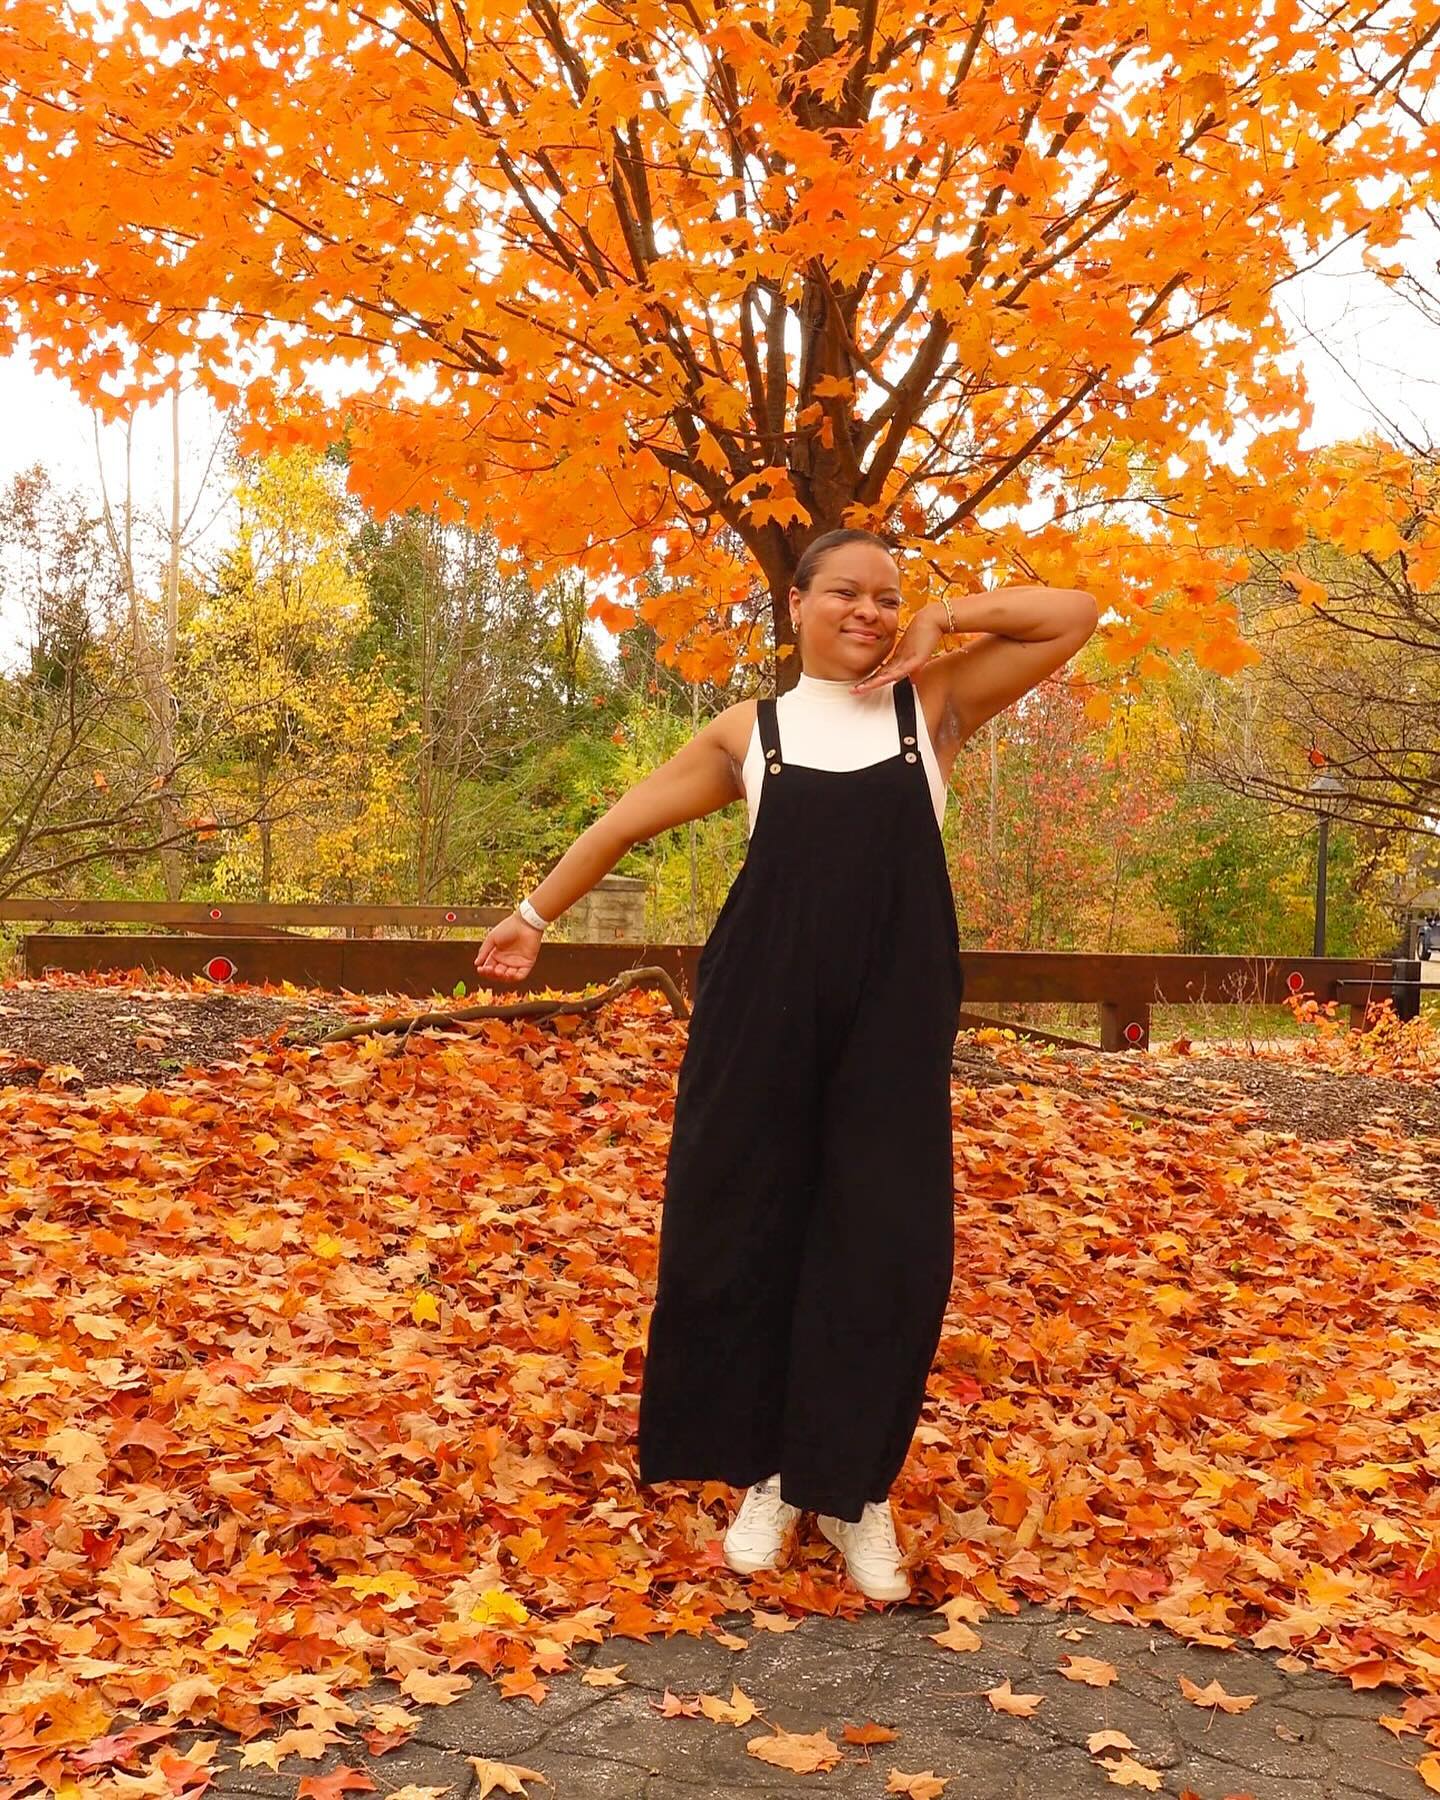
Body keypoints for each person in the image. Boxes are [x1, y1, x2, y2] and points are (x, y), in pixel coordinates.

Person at [474, 530, 1098, 1602]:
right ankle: (769, 1470)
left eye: (886, 597)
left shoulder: (932, 704)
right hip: (760, 1012)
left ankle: (851, 1489)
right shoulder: (748, 731)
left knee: (885, 1244)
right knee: (748, 1227)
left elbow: (1073, 614)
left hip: (891, 1018)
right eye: (845, 593)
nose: (869, 612)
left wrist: (944, 618)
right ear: (796, 603)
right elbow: (623, 821)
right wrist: (532, 916)